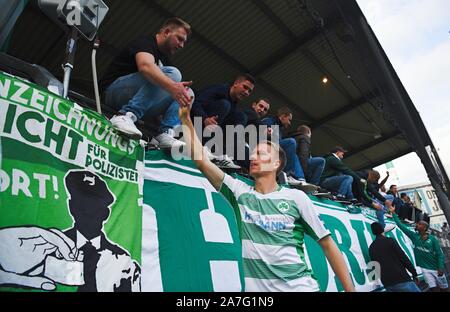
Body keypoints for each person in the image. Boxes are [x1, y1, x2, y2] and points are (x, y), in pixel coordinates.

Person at [179, 105, 355, 292]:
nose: (253, 156)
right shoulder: (239, 192)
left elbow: (327, 244)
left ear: (276, 163)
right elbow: (201, 160)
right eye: (253, 153)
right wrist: (185, 119)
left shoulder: (296, 197)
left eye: (261, 154)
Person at [101, 17, 193, 146]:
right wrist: (172, 87)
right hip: (114, 92)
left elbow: (155, 93)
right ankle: (125, 115)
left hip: (138, 102)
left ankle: (165, 133)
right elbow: (145, 66)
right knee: (174, 74)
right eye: (179, 39)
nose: (182, 45)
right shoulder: (146, 42)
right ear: (166, 32)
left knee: (188, 92)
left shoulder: (165, 61)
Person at [64, 170, 141, 292]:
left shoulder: (123, 262)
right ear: (71, 207)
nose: (88, 212)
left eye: (94, 207)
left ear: (106, 214)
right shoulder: (52, 247)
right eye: (82, 204)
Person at [190, 74, 255, 168]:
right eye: (245, 87)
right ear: (236, 83)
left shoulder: (234, 104)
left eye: (249, 91)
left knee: (241, 117)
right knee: (225, 105)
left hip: (214, 133)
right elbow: (196, 103)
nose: (246, 92)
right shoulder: (218, 89)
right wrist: (205, 118)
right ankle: (204, 147)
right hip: (197, 124)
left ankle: (226, 155)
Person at [389, 206, 448, 292]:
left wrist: (441, 267)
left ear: (425, 228)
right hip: (425, 268)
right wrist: (393, 213)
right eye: (418, 223)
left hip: (436, 268)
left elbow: (439, 254)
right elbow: (400, 226)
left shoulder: (432, 239)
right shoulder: (414, 236)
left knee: (444, 289)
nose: (417, 224)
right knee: (433, 289)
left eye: (419, 224)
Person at [261, 107, 307, 186]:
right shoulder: (269, 121)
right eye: (289, 120)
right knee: (291, 142)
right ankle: (288, 174)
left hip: (273, 149)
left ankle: (301, 179)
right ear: (283, 117)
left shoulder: (279, 128)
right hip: (265, 149)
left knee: (293, 154)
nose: (289, 123)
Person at [369, 222, 420, 292]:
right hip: (401, 279)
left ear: (373, 232)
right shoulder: (390, 241)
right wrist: (414, 273)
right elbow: (403, 257)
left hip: (387, 284)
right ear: (382, 229)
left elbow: (374, 267)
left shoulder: (371, 248)